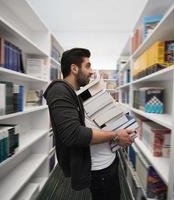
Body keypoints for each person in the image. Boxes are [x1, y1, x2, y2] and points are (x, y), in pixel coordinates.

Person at [43, 48, 135, 199]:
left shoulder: (75, 91)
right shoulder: (59, 91)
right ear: (74, 68)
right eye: (88, 66)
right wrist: (115, 135)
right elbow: (73, 134)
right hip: (100, 170)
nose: (91, 71)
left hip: (108, 160)